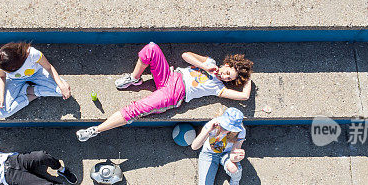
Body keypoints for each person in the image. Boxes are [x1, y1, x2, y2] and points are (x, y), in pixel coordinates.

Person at [76, 42, 253, 141]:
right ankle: (135, 78)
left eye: (230, 79)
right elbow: (185, 55)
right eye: (227, 72)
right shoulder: (210, 62)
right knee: (151, 48)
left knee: (135, 109)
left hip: (175, 94)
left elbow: (244, 96)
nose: (225, 76)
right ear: (226, 65)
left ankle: (96, 130)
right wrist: (206, 67)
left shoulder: (218, 88)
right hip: (170, 75)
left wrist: (248, 76)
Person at [0, 42, 71, 118]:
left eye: (8, 71)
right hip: (14, 81)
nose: (6, 72)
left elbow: (48, 67)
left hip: (36, 74)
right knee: (2, 113)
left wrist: (61, 85)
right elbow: (2, 76)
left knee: (63, 90)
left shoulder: (33, 54)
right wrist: (1, 97)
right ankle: (29, 91)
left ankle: (29, 91)